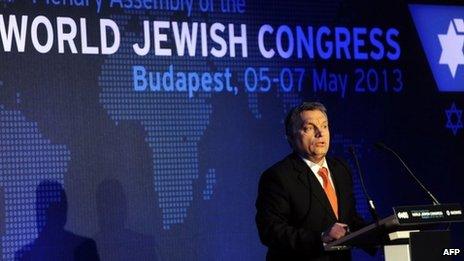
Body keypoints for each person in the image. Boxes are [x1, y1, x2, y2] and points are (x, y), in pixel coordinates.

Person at [255, 102, 366, 260]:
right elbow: (271, 231)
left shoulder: (340, 169)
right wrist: (321, 237)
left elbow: (349, 219)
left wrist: (382, 230)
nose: (320, 133)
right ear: (291, 137)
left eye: (324, 126)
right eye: (309, 128)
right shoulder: (278, 177)